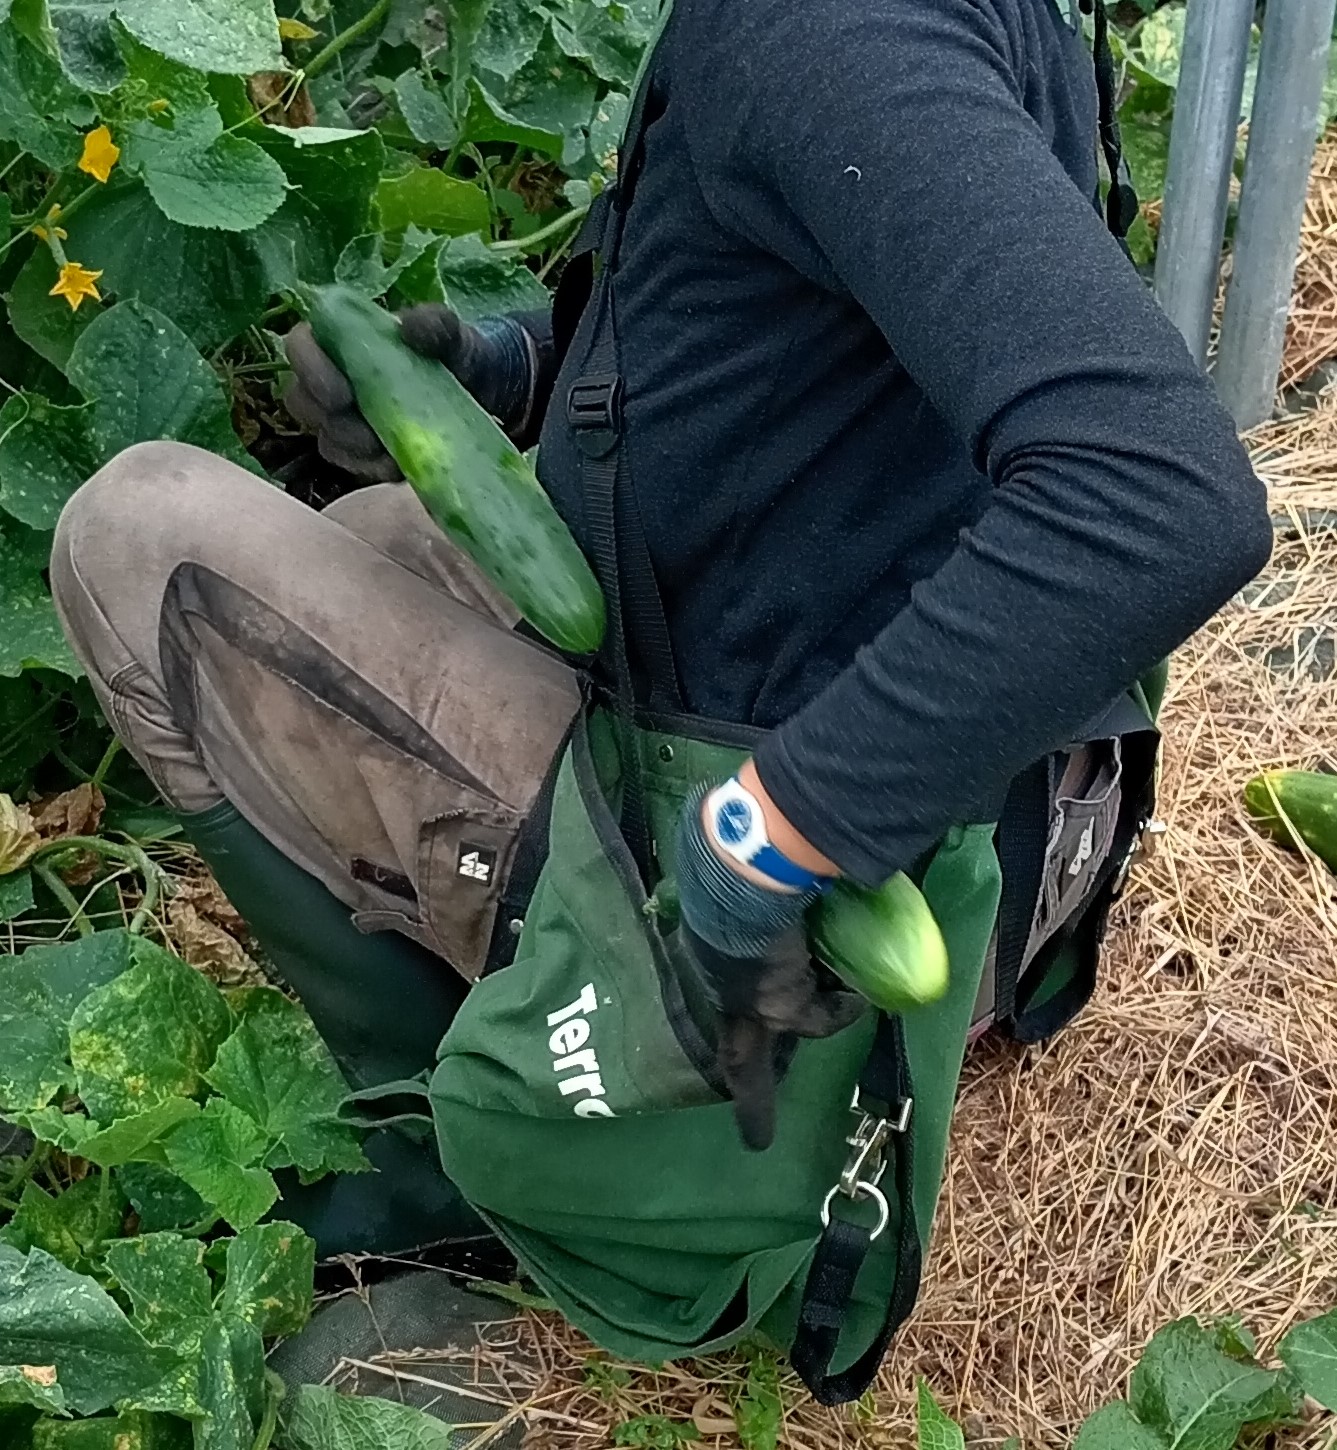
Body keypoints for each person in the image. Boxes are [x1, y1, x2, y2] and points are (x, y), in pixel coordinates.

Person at [50, 0, 1270, 1254]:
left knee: (137, 534)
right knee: (368, 531)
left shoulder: (826, 34)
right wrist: (510, 373)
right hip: (958, 794)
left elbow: (1160, 495)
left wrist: (762, 842)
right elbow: (817, 331)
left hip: (835, 911)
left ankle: (447, 1168)